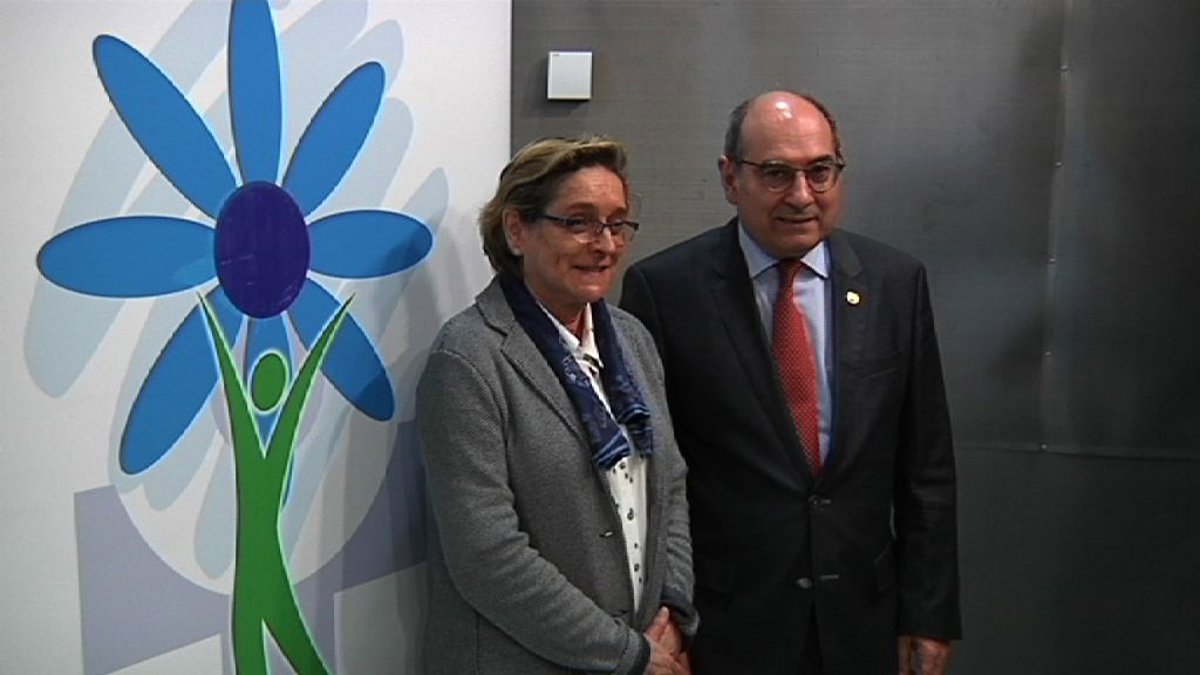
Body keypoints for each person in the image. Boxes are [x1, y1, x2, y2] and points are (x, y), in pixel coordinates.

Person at [620, 91, 961, 675]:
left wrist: (928, 613)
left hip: (862, 619)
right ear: (731, 178)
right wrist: (665, 607)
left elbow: (925, 467)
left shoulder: (895, 284)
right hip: (725, 624)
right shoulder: (665, 291)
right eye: (776, 174)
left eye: (819, 171)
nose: (802, 195)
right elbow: (649, 479)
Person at [417, 136, 697, 675]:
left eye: (617, 223)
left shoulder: (633, 340)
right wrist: (628, 653)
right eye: (579, 222)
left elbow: (671, 487)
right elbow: (487, 556)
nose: (605, 244)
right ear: (517, 230)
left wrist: (673, 611)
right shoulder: (468, 359)